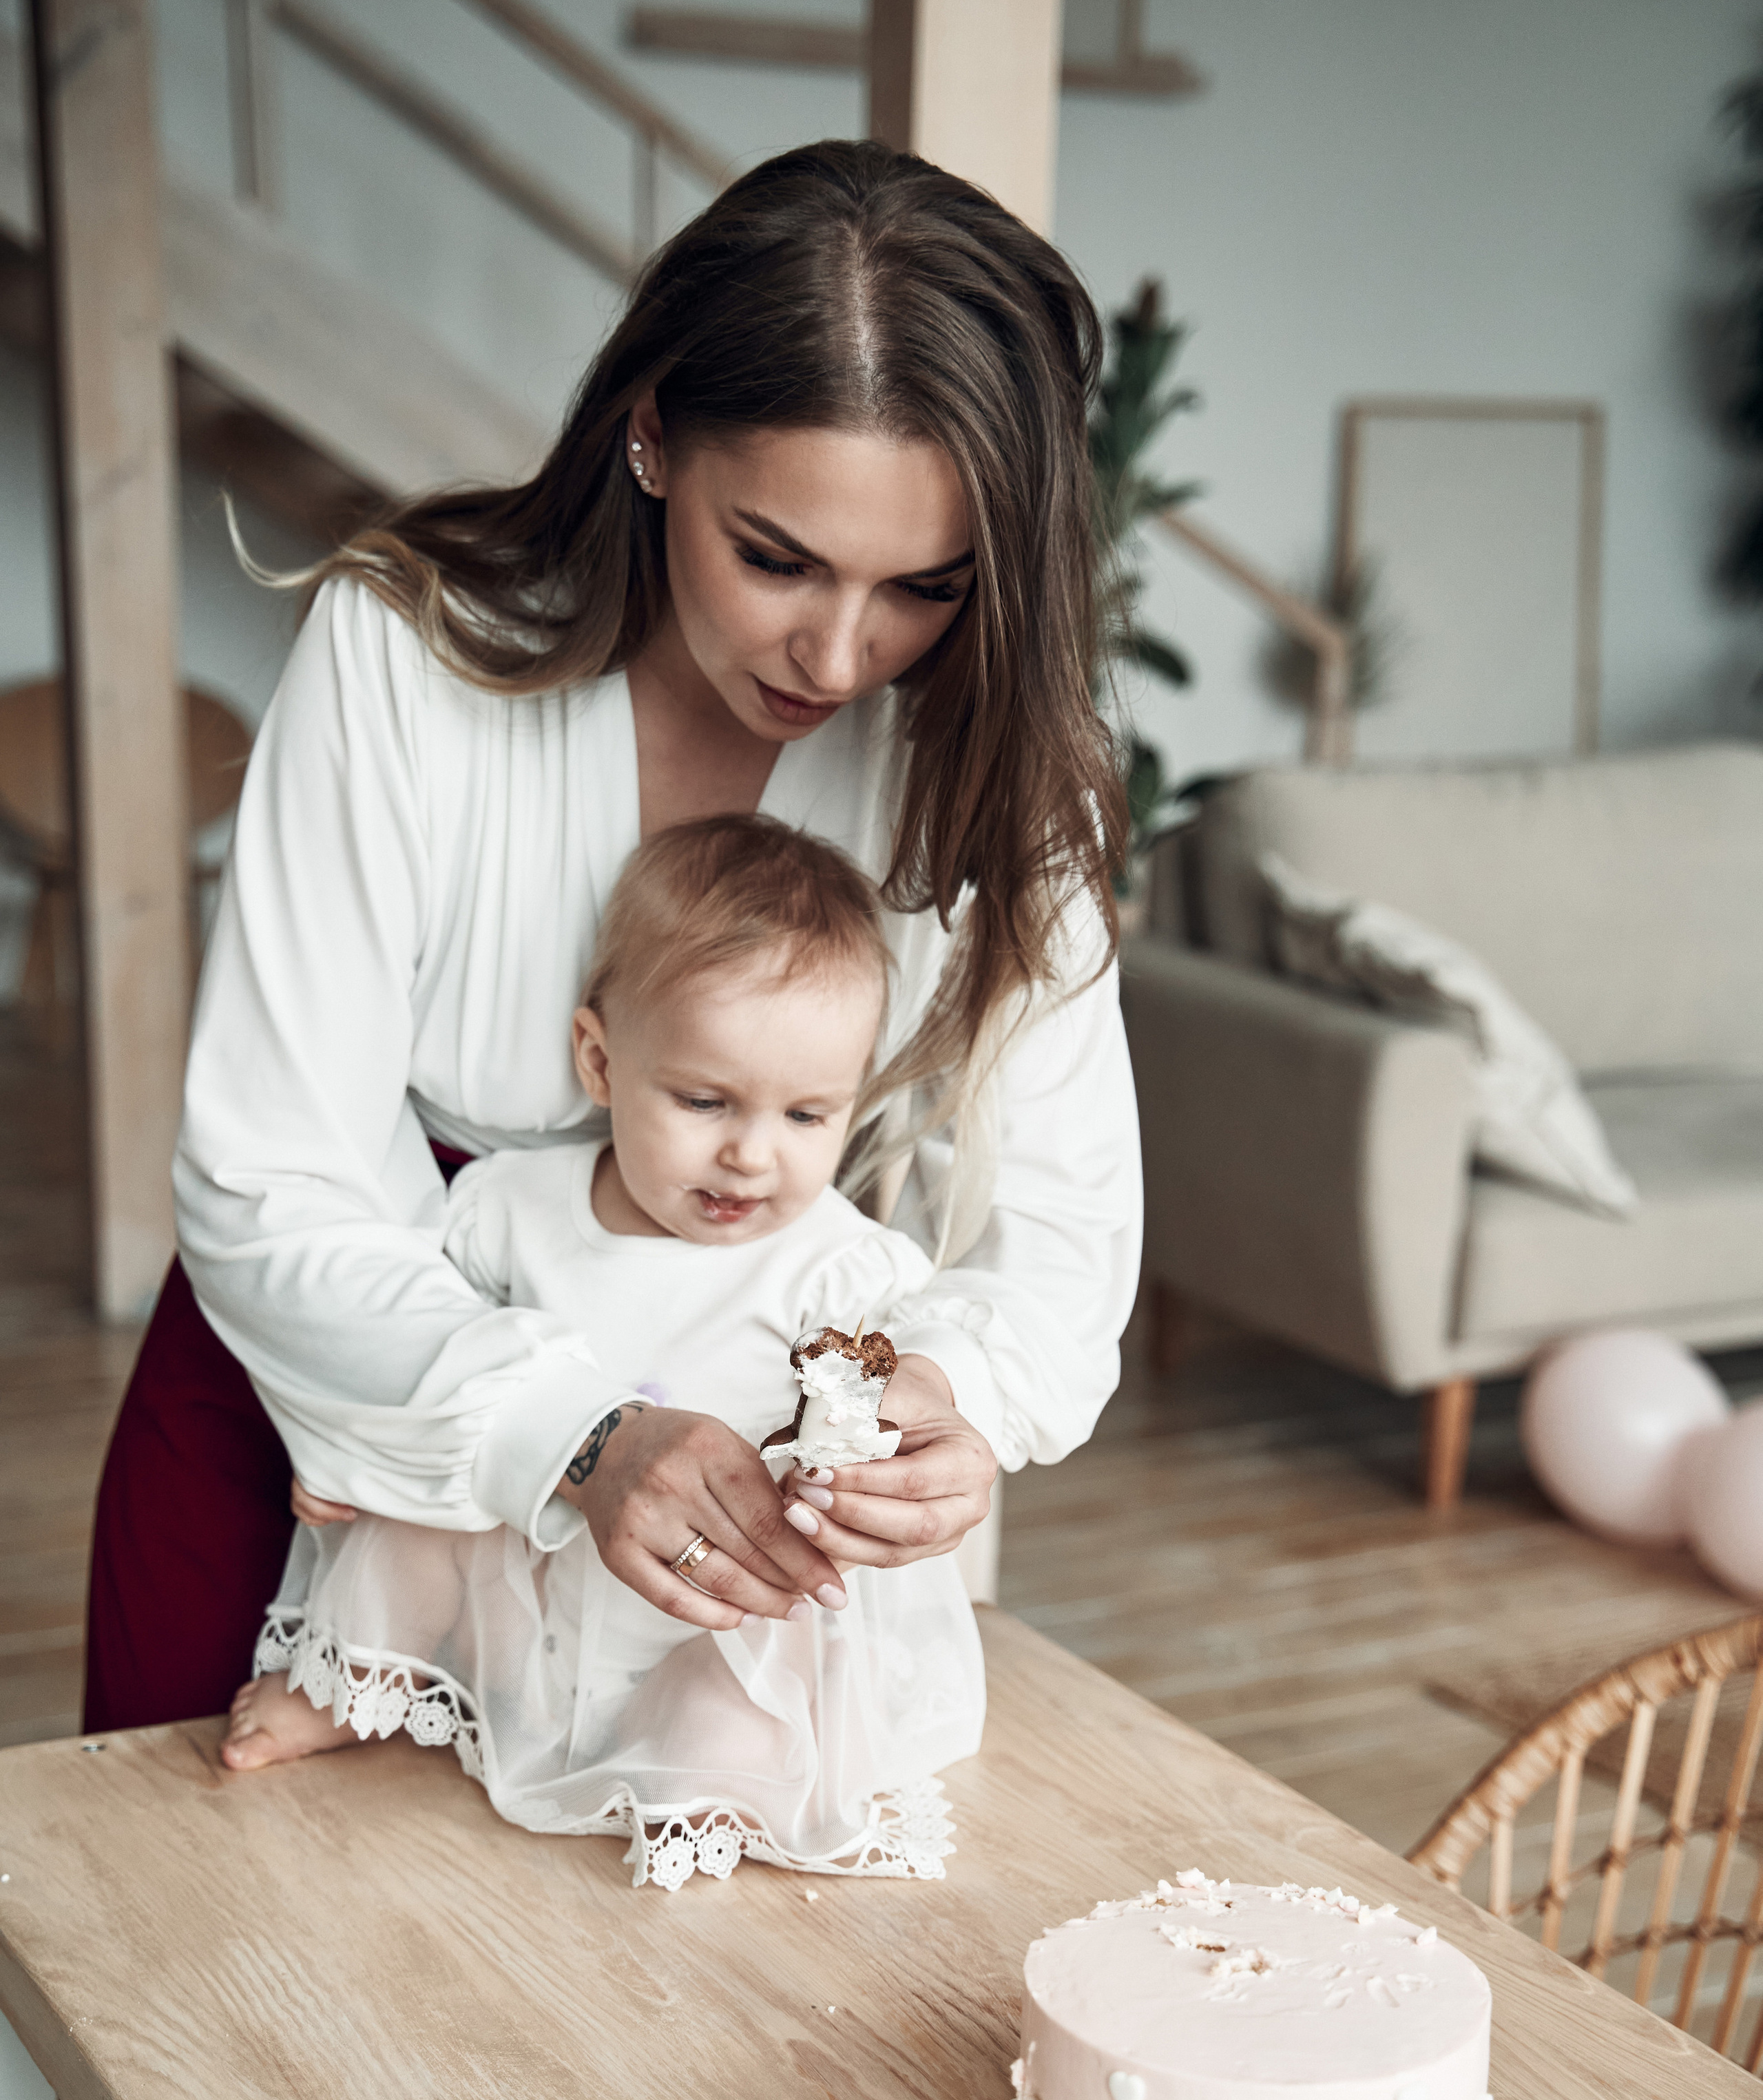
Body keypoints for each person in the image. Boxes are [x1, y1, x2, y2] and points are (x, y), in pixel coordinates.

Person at [83, 138, 1141, 1735]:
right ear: (650, 435)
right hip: (340, 1381)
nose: (835, 656)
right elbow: (271, 1169)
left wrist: (955, 1392)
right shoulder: (408, 652)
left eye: (922, 587)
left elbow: (1059, 1223)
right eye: (774, 559)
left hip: (726, 1492)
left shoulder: (992, 759)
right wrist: (568, 1433)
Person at [220, 817, 981, 1889]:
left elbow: (883, 1416)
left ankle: (694, 1782)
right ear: (601, 1060)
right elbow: (421, 1351)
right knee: (413, 1519)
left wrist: (855, 1464)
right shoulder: (508, 1209)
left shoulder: (842, 1270)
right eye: (705, 1101)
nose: (751, 1153)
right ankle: (361, 1686)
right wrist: (365, 1446)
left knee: (736, 1726)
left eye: (809, 1115)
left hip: (718, 1611)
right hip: (531, 1583)